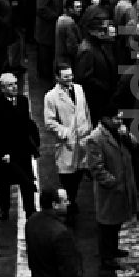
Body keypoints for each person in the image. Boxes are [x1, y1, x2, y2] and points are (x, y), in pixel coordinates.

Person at [85, 109, 139, 272]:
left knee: (116, 223)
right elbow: (96, 168)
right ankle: (106, 257)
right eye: (116, 118)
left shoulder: (119, 132)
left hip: (124, 185)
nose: (120, 121)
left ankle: (114, 249)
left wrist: (127, 135)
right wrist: (112, 183)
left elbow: (134, 145)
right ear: (106, 118)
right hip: (110, 190)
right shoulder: (96, 138)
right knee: (107, 225)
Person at [42, 62, 93, 227]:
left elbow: (85, 110)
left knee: (79, 172)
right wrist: (64, 133)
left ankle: (72, 200)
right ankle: (68, 206)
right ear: (57, 78)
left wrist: (89, 130)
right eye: (65, 77)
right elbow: (49, 122)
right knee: (67, 176)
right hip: (66, 143)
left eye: (70, 75)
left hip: (83, 139)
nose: (69, 79)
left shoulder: (79, 89)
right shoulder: (51, 97)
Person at [0, 72, 39, 220]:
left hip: (22, 149)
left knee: (27, 182)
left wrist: (33, 144)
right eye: (10, 85)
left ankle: (30, 209)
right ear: (2, 88)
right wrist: (2, 152)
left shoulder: (23, 101)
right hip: (5, 152)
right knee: (4, 183)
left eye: (15, 84)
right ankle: (4, 209)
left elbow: (27, 124)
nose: (14, 87)